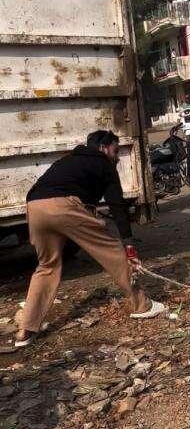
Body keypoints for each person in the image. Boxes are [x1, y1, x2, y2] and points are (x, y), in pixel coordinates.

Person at [15, 130, 165, 348]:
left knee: (47, 266)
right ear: (104, 148)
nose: (117, 157)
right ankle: (142, 306)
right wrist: (128, 242)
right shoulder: (104, 164)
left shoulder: (69, 160)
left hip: (35, 207)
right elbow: (117, 205)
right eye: (115, 151)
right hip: (64, 206)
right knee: (113, 251)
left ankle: (26, 329)